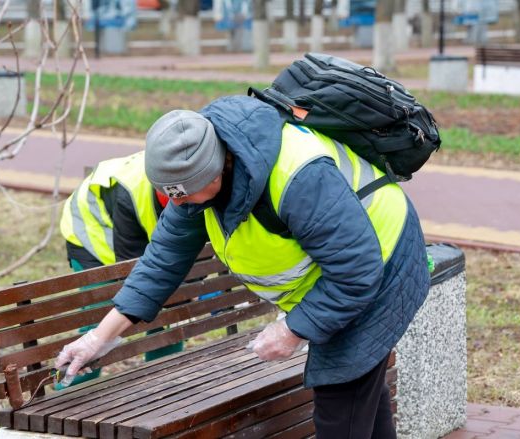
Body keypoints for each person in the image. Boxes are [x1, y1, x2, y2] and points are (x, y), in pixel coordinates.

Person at [55, 96, 431, 438]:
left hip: (385, 263)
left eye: (182, 193)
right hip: (341, 278)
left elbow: (355, 274)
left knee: (340, 397)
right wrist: (98, 338)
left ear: (216, 172)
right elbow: (160, 264)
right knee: (360, 390)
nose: (177, 202)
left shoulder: (298, 178)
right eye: (170, 193)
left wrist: (292, 330)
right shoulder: (193, 188)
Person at [58, 151, 182, 387]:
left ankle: (163, 386)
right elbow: (134, 271)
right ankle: (71, 395)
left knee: (170, 307)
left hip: (138, 231)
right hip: (90, 232)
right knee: (97, 320)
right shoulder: (132, 194)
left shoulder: (189, 175)